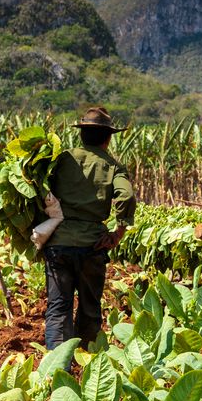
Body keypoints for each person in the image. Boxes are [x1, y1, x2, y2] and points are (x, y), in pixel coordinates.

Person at [43, 106, 136, 351]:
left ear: (81, 135)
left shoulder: (62, 159)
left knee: (58, 308)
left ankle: (57, 368)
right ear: (108, 138)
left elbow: (40, 190)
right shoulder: (113, 166)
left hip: (58, 243)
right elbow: (126, 196)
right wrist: (118, 232)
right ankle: (86, 365)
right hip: (91, 247)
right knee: (89, 308)